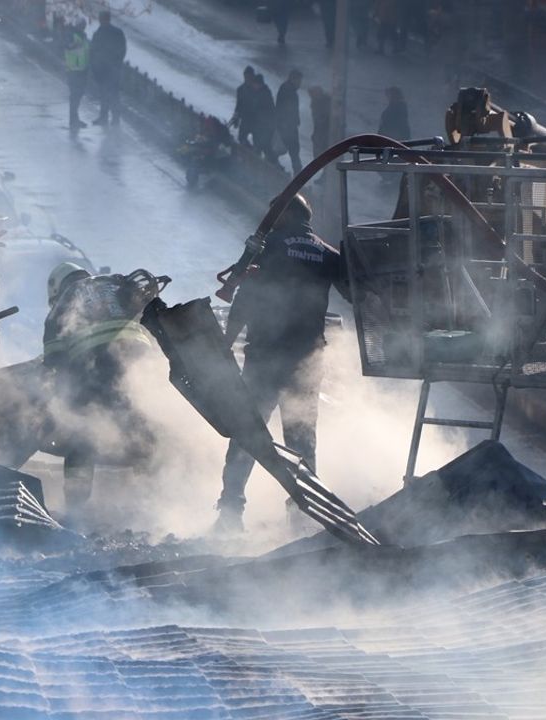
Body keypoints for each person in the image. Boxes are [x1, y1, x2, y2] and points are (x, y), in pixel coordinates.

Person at [216, 194, 350, 532]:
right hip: (306, 361)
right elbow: (354, 292)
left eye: (273, 214)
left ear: (286, 214)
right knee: (302, 440)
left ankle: (231, 512)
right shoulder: (327, 253)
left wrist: (226, 343)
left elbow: (245, 298)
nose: (269, 220)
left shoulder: (269, 245)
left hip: (265, 356)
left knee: (248, 432)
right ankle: (303, 518)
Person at [43, 262, 158, 518]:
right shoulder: (116, 282)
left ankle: (75, 504)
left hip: (97, 360)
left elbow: (54, 353)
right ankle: (152, 496)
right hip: (140, 357)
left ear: (58, 287)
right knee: (141, 422)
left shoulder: (68, 296)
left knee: (81, 430)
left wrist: (63, 394)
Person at [90, 10, 127, 126]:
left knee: (104, 93)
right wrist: (118, 62)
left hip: (102, 69)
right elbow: (123, 49)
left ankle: (103, 117)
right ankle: (115, 119)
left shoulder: (98, 34)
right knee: (114, 94)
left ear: (101, 19)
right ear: (109, 19)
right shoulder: (118, 32)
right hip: (114, 69)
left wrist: (95, 68)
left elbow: (93, 52)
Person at [275, 69, 304, 175]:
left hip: (288, 125)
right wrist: (287, 122)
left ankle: (297, 171)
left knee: (291, 149)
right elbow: (285, 108)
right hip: (287, 126)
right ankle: (298, 173)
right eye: (299, 80)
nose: (300, 83)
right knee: (291, 148)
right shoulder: (288, 90)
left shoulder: (288, 88)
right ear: (293, 79)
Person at [64, 20, 90, 129]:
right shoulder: (71, 35)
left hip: (82, 70)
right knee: (75, 96)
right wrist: (73, 45)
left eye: (84, 26)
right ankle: (73, 120)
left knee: (78, 95)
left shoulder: (83, 37)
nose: (83, 27)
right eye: (81, 25)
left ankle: (75, 119)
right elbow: (67, 46)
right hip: (74, 71)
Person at [308, 85, 332, 155]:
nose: (311, 96)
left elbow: (322, 119)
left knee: (321, 151)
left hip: (324, 132)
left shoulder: (324, 101)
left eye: (313, 93)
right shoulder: (315, 102)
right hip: (320, 132)